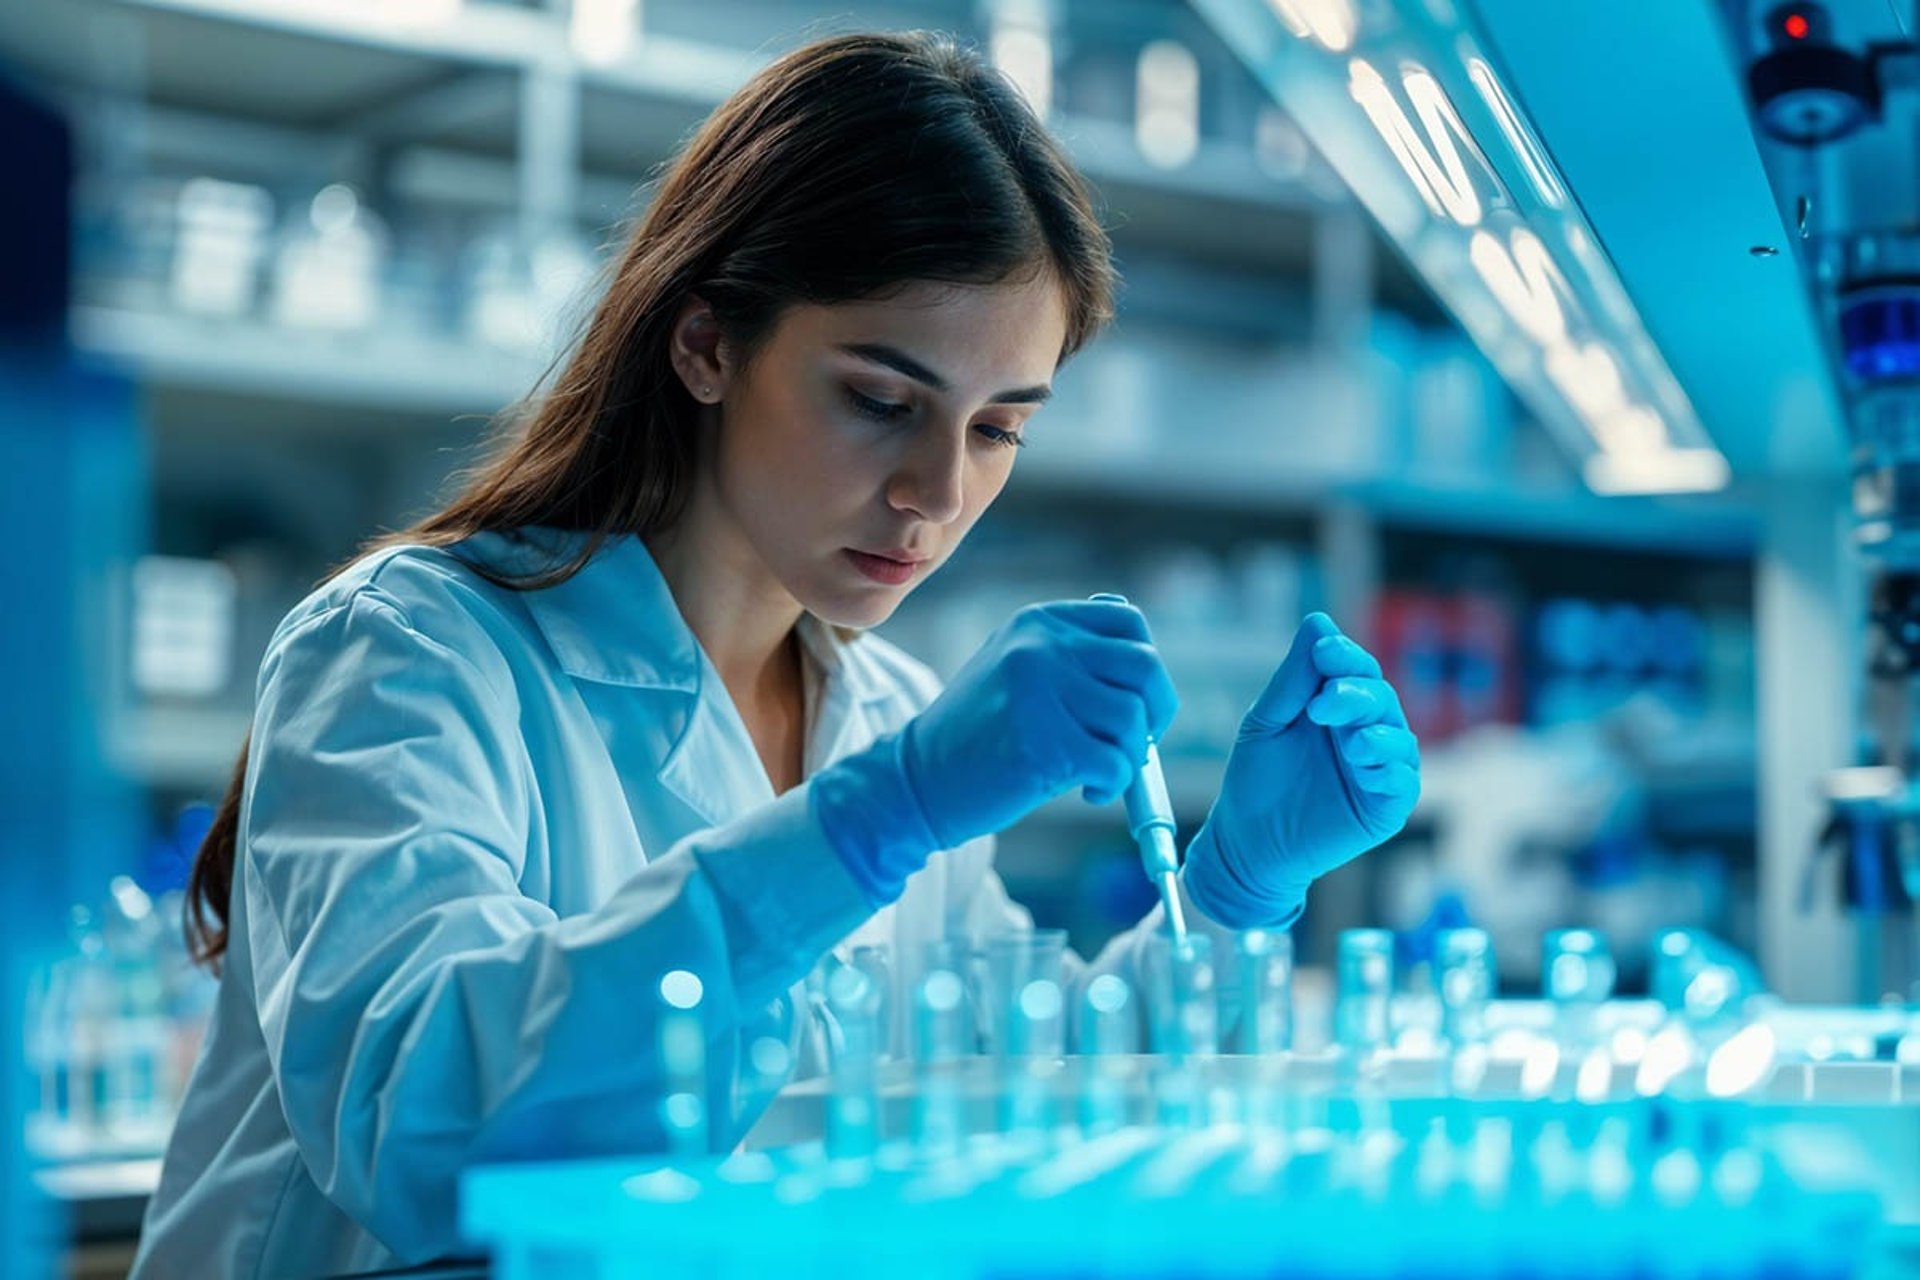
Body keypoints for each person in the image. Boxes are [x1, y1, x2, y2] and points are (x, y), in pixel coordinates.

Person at [131, 30, 1421, 1279]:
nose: (935, 491)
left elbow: (1008, 1097)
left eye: (997, 429)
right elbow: (421, 1130)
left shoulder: (882, 711)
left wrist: (1239, 885)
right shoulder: (410, 653)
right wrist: (878, 819)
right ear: (706, 345)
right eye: (880, 401)